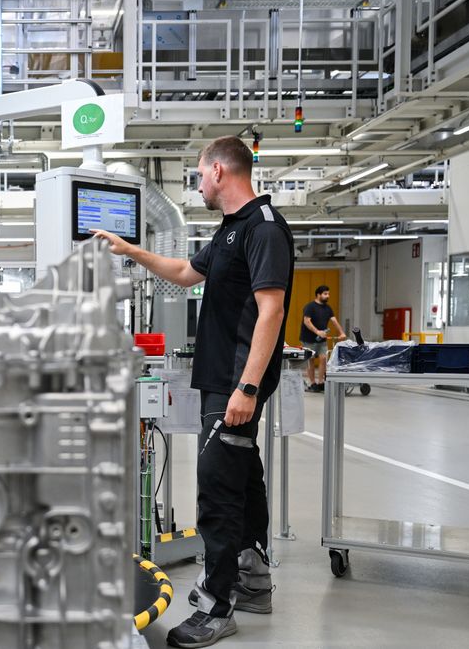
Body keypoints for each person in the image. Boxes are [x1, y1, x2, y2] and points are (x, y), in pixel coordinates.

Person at [92, 135, 294, 648]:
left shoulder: (264, 229)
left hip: (234, 385)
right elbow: (185, 273)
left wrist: (246, 386)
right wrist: (131, 251)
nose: (198, 184)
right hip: (222, 383)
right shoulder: (232, 230)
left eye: (200, 175)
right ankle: (253, 581)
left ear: (221, 171)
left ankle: (217, 605)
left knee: (217, 493)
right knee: (244, 482)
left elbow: (270, 311)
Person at [298, 285, 347, 392]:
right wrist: (317, 332)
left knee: (323, 358)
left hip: (322, 340)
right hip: (308, 339)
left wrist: (342, 332)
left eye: (328, 294)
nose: (327, 296)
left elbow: (334, 321)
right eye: (325, 294)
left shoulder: (328, 308)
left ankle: (320, 382)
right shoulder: (310, 307)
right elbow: (307, 321)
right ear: (318, 295)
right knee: (310, 360)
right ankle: (312, 383)